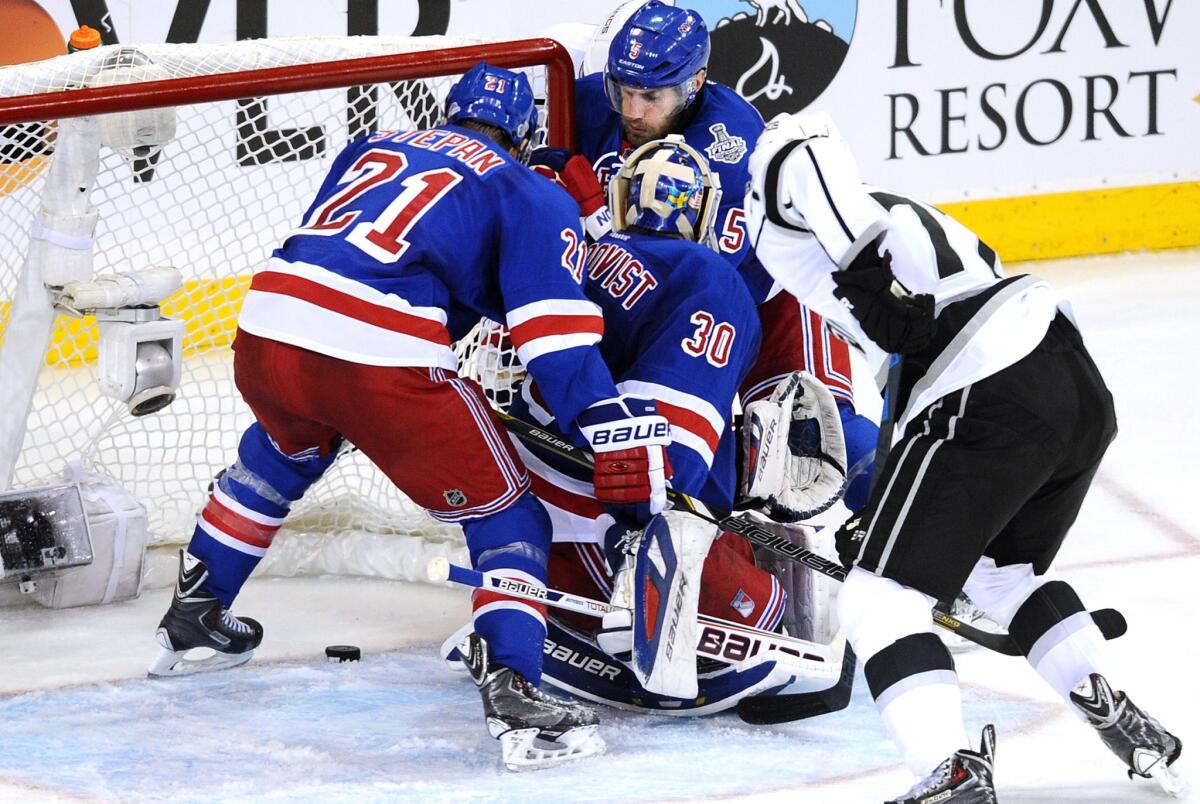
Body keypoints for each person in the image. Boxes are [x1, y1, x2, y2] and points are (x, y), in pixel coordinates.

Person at [146, 62, 677, 772]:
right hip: (376, 353)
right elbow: (553, 345)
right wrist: (614, 429)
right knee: (511, 516)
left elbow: (416, 257)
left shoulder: (374, 147)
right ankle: (517, 695)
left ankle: (195, 619)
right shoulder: (524, 186)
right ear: (525, 135)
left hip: (267, 327)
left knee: (283, 452)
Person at [744, 113, 1184, 801]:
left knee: (880, 600)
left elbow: (806, 150)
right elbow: (903, 367)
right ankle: (1109, 701)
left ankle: (948, 771)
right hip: (1068, 380)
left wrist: (867, 272)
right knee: (998, 574)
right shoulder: (892, 209)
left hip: (986, 382)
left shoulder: (774, 178)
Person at [502, 135, 847, 712]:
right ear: (705, 211)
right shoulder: (713, 280)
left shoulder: (585, 251)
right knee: (760, 609)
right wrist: (650, 519)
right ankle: (631, 580)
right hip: (607, 509)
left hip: (524, 481)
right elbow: (665, 438)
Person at [534, 0, 881, 516]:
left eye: (650, 96)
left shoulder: (732, 146)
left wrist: (590, 212)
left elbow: (685, 272)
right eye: (622, 90)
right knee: (667, 438)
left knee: (825, 443)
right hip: (653, 302)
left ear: (693, 84)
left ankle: (921, 551)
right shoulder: (586, 104)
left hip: (762, 299)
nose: (631, 110)